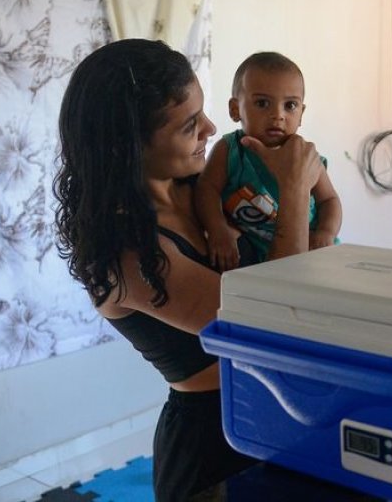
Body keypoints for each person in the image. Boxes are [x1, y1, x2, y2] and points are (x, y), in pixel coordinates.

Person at [54, 39, 324, 501]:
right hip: (213, 446)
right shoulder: (127, 254)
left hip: (274, 413)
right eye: (188, 126)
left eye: (202, 112)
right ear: (129, 147)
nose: (212, 128)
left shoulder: (201, 188)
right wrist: (294, 193)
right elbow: (272, 322)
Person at [194, 51, 342, 270]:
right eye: (263, 103)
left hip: (310, 251)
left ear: (301, 113)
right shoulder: (230, 150)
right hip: (252, 257)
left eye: (290, 105)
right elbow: (206, 189)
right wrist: (218, 230)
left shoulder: (306, 158)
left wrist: (326, 232)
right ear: (235, 110)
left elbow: (329, 200)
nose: (278, 115)